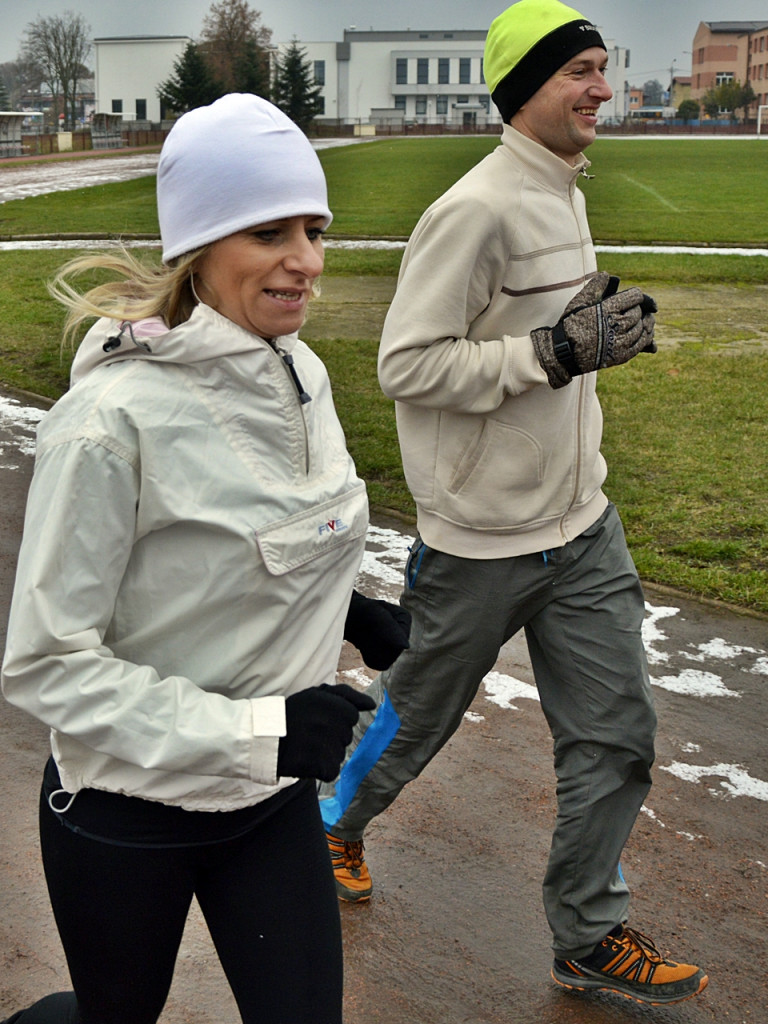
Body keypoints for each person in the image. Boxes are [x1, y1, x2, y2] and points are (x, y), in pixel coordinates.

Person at [319, 0, 709, 1007]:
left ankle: (587, 930)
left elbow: (538, 348)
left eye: (601, 67)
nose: (602, 89)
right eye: (580, 69)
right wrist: (551, 350)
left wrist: (578, 333)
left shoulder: (563, 193)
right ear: (525, 85)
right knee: (415, 720)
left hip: (583, 524)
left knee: (617, 733)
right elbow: (407, 362)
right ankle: (331, 823)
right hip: (481, 539)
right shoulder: (477, 207)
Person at [0, 93, 414, 1024]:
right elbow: (44, 663)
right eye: (270, 231)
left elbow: (256, 532)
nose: (306, 261)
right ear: (201, 244)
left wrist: (347, 603)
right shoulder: (109, 428)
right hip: (126, 810)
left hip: (265, 806)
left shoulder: (299, 371)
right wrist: (262, 731)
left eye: (315, 228)